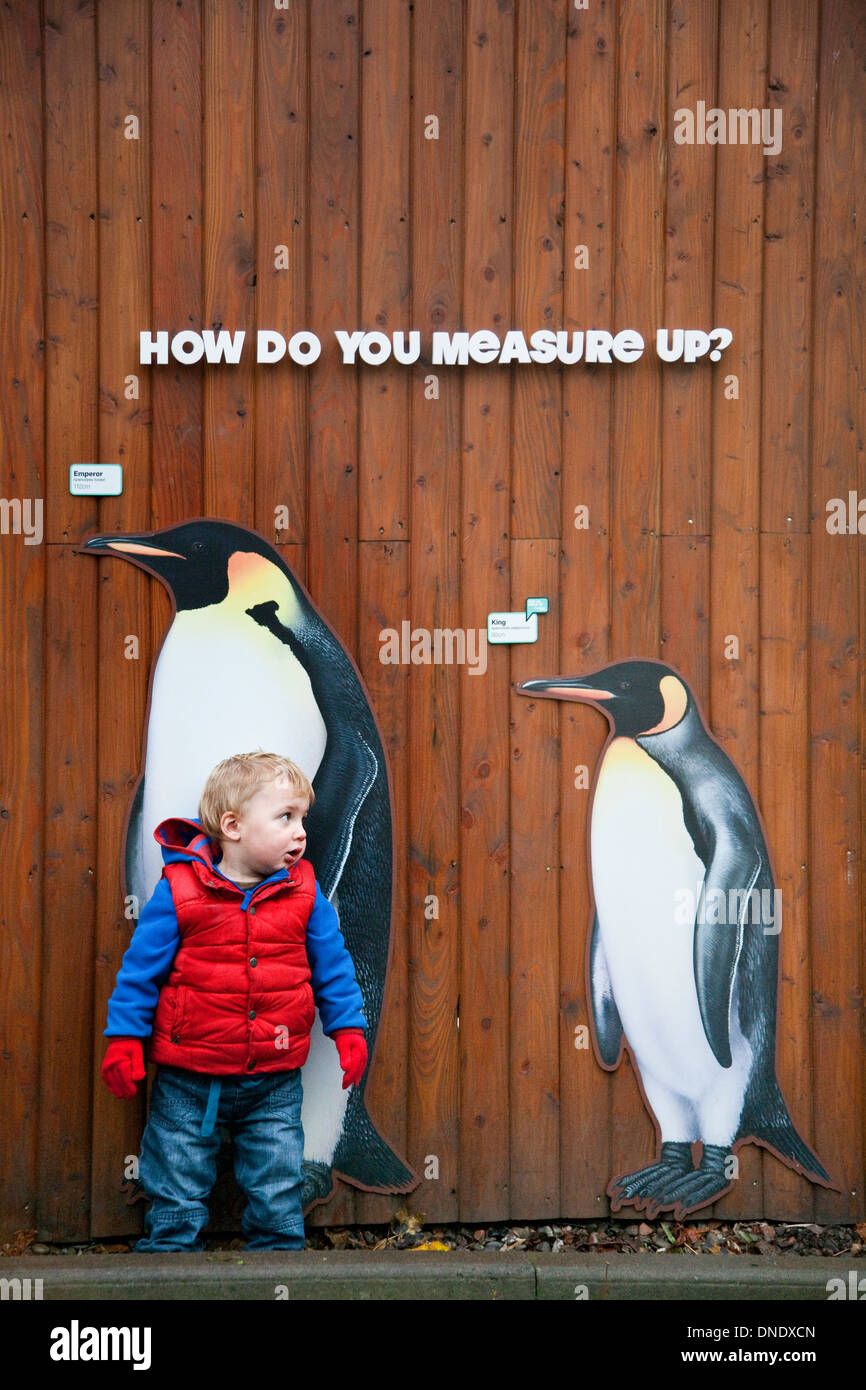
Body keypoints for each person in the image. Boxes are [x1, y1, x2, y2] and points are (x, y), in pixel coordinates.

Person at [100, 751, 368, 1252]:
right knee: (175, 1175)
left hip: (273, 1077)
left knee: (276, 1179)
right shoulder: (180, 890)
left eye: (303, 819)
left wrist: (349, 1030)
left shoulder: (304, 893)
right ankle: (169, 1258)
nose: (301, 832)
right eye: (286, 817)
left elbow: (333, 967)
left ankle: (278, 1259)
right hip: (188, 1074)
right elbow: (140, 972)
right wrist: (123, 1040)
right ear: (234, 825)